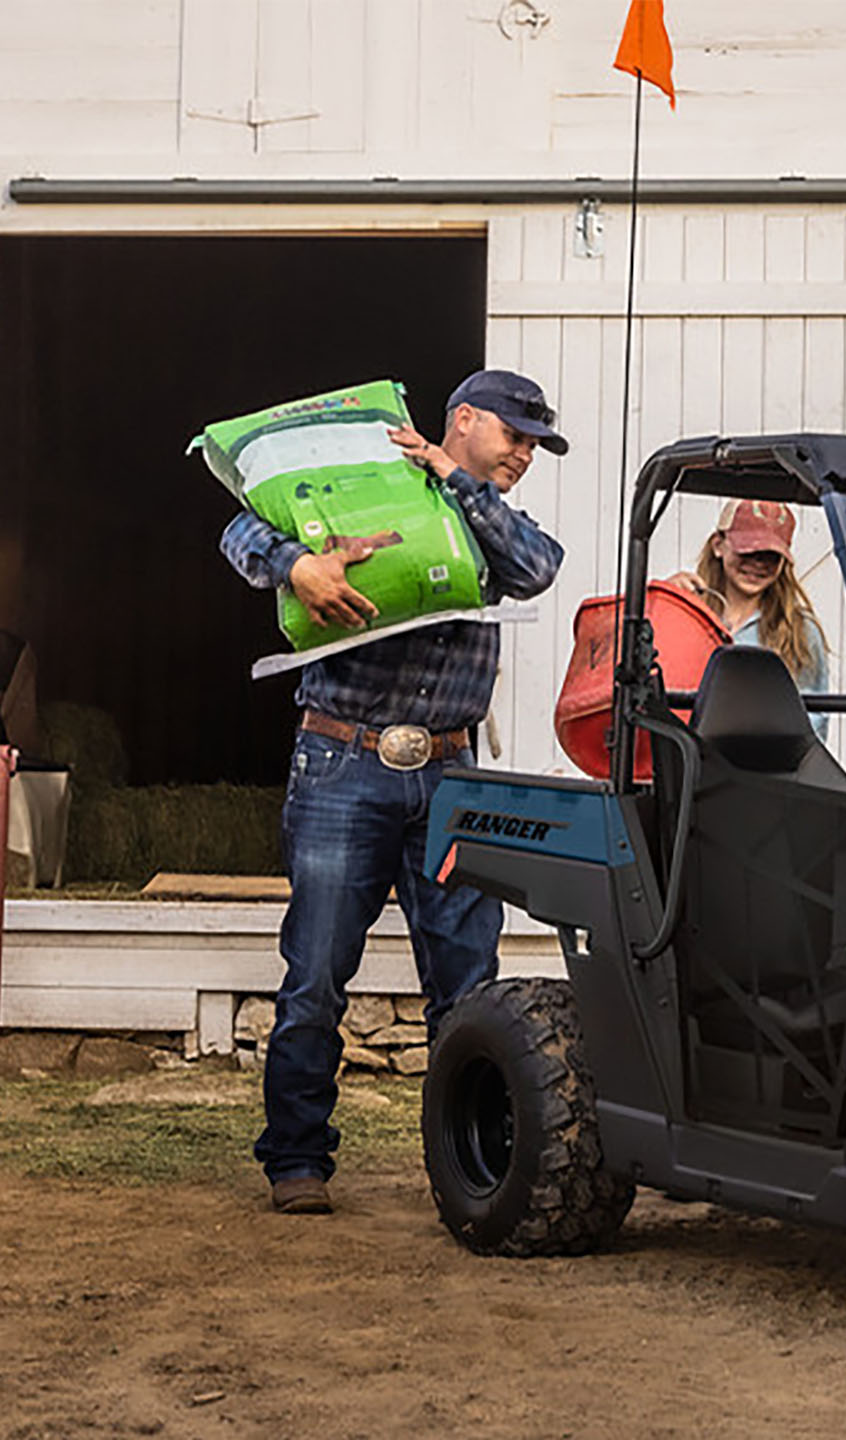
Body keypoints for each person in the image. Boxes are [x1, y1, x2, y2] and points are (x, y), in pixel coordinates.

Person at [220, 369, 567, 1215]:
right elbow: (236, 528)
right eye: (513, 436)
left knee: (468, 984)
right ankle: (297, 1160)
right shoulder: (365, 476)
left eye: (533, 445)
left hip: (450, 768)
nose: (523, 454)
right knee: (317, 975)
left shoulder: (485, 516)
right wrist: (296, 565)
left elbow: (538, 569)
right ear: (464, 418)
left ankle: (473, 1163)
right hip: (344, 761)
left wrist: (460, 482)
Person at [670, 498, 829, 707]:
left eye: (771, 556)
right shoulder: (685, 612)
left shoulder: (799, 632)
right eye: (748, 551)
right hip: (683, 738)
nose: (758, 563)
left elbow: (813, 719)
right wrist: (663, 603)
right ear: (718, 545)